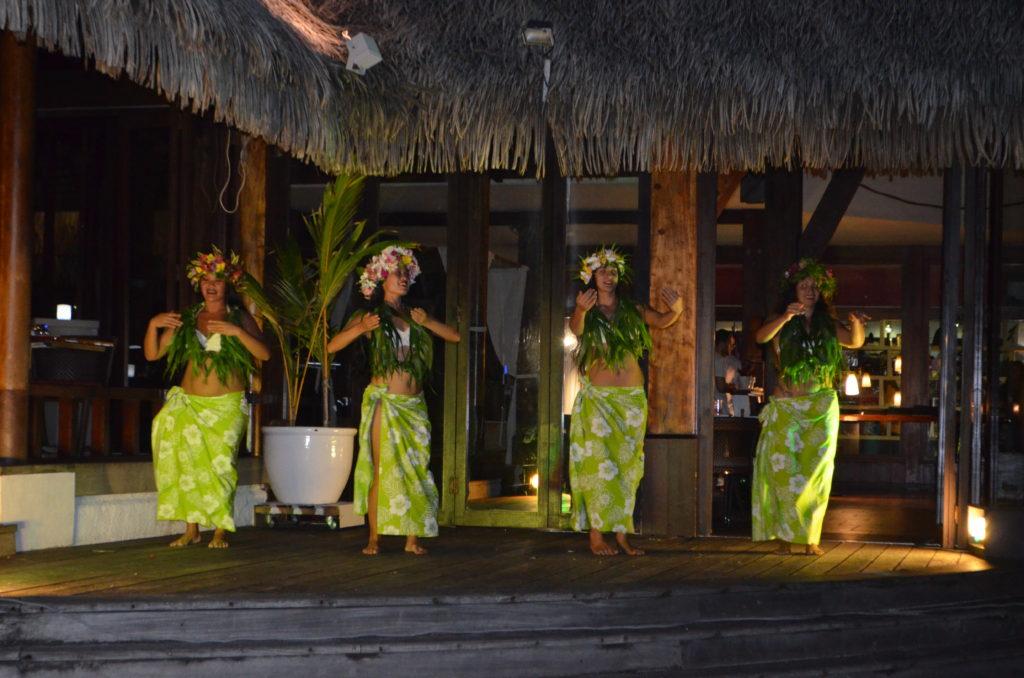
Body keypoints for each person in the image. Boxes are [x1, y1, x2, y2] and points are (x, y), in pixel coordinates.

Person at [328, 245, 459, 556]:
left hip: (415, 405)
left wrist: (427, 322)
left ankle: (412, 538)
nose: (403, 278)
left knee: (416, 469)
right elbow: (332, 346)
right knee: (382, 469)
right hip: (386, 402)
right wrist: (360, 328)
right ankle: (374, 537)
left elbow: (454, 336)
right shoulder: (370, 316)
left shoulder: (414, 314)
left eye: (406, 273)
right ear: (380, 279)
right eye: (396, 273)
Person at [145, 247, 270, 548]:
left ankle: (220, 529)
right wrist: (153, 325)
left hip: (225, 405)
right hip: (190, 403)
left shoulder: (239, 317)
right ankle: (192, 529)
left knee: (221, 465)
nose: (210, 286)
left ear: (228, 285)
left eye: (217, 281)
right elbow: (153, 354)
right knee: (188, 465)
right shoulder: (188, 318)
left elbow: (264, 354)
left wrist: (236, 332)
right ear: (198, 284)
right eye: (205, 280)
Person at [568, 245, 683, 556]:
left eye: (613, 271)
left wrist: (677, 310)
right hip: (599, 402)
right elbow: (576, 329)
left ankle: (621, 535)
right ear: (591, 276)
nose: (609, 276)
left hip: (631, 402)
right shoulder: (587, 310)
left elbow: (661, 320)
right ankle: (596, 535)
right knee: (598, 466)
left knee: (627, 469)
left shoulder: (632, 309)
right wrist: (580, 310)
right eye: (603, 271)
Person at [751, 258, 866, 555]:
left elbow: (854, 341)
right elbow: (761, 336)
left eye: (814, 286)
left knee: (816, 474)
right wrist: (785, 318)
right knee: (784, 472)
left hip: (821, 406)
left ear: (821, 291)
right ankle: (785, 537)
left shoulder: (828, 325)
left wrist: (856, 324)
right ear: (793, 290)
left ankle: (810, 538)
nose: (809, 290)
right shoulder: (781, 319)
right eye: (803, 285)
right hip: (788, 406)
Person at [714, 329, 742, 415]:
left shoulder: (711, 356)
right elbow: (721, 386)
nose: (732, 348)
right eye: (730, 344)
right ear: (722, 344)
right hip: (718, 406)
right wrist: (731, 387)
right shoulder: (719, 359)